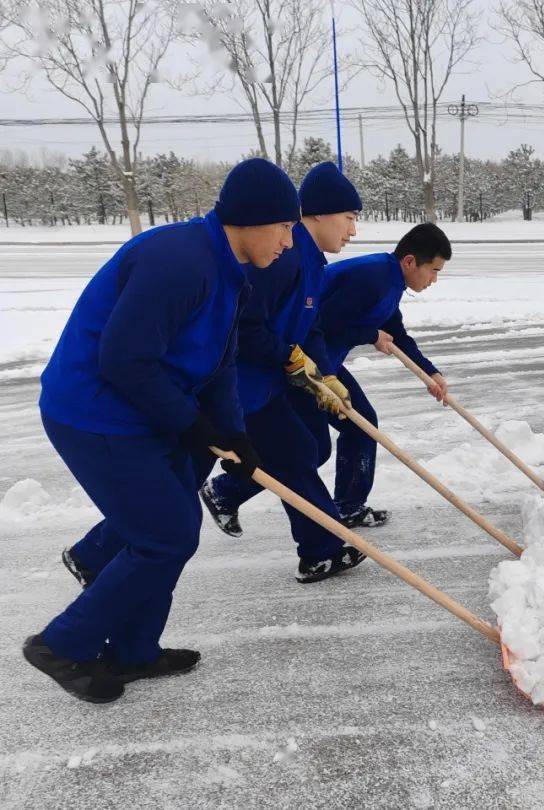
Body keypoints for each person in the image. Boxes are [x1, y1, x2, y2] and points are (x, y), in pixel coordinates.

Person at [25, 158, 293, 703]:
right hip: (95, 411)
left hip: (142, 408)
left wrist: (233, 434)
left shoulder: (228, 273)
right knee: (165, 534)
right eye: (286, 227)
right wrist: (192, 425)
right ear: (250, 219)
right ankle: (61, 644)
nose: (290, 242)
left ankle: (132, 651)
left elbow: (221, 361)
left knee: (167, 526)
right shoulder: (179, 259)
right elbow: (123, 359)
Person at [199, 162, 368, 583]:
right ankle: (321, 549)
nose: (353, 231)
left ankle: (227, 492)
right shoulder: (283, 260)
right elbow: (245, 324)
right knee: (294, 456)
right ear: (318, 214)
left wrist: (326, 376)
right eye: (349, 219)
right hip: (243, 386)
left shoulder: (311, 264)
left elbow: (310, 327)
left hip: (270, 382)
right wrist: (289, 359)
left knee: (310, 450)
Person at [316, 223, 451, 527]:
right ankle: (227, 490)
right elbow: (322, 319)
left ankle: (349, 506)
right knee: (308, 447)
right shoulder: (373, 277)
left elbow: (396, 333)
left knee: (361, 425)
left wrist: (430, 373)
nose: (434, 279)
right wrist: (370, 334)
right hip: (306, 364)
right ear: (410, 261)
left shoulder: (390, 280)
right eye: (433, 270)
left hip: (327, 362)